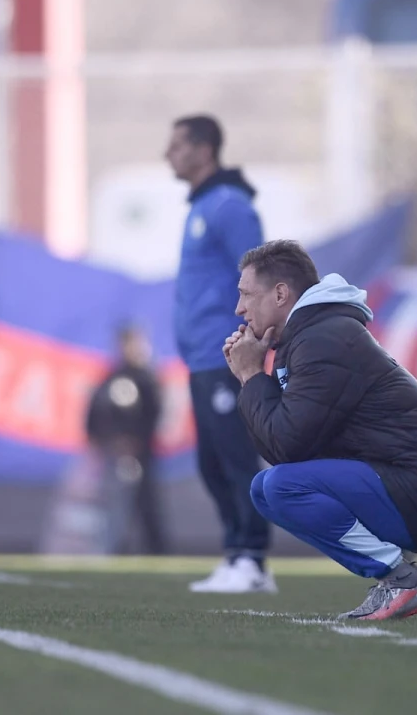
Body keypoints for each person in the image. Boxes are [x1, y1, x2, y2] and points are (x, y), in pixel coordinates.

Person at [224, 240, 417, 620]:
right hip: (406, 481)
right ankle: (395, 576)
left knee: (279, 486)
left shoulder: (324, 339)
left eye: (245, 294)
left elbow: (287, 446)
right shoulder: (307, 338)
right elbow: (286, 447)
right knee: (265, 488)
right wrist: (254, 380)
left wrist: (251, 377)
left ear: (280, 294)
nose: (239, 308)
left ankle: (401, 578)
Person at [166, 114, 274, 593]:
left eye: (177, 146)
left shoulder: (229, 206)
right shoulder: (201, 206)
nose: (168, 154)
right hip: (202, 360)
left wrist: (251, 341)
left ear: (205, 150)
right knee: (212, 464)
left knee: (234, 459)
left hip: (229, 356)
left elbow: (262, 275)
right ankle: (237, 555)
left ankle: (252, 559)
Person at [84, 324, 167, 555]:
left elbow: (153, 415)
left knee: (146, 504)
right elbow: (94, 415)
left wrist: (136, 441)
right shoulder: (111, 378)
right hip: (112, 454)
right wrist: (107, 441)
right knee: (114, 505)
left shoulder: (147, 379)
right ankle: (112, 549)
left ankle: (157, 552)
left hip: (140, 454)